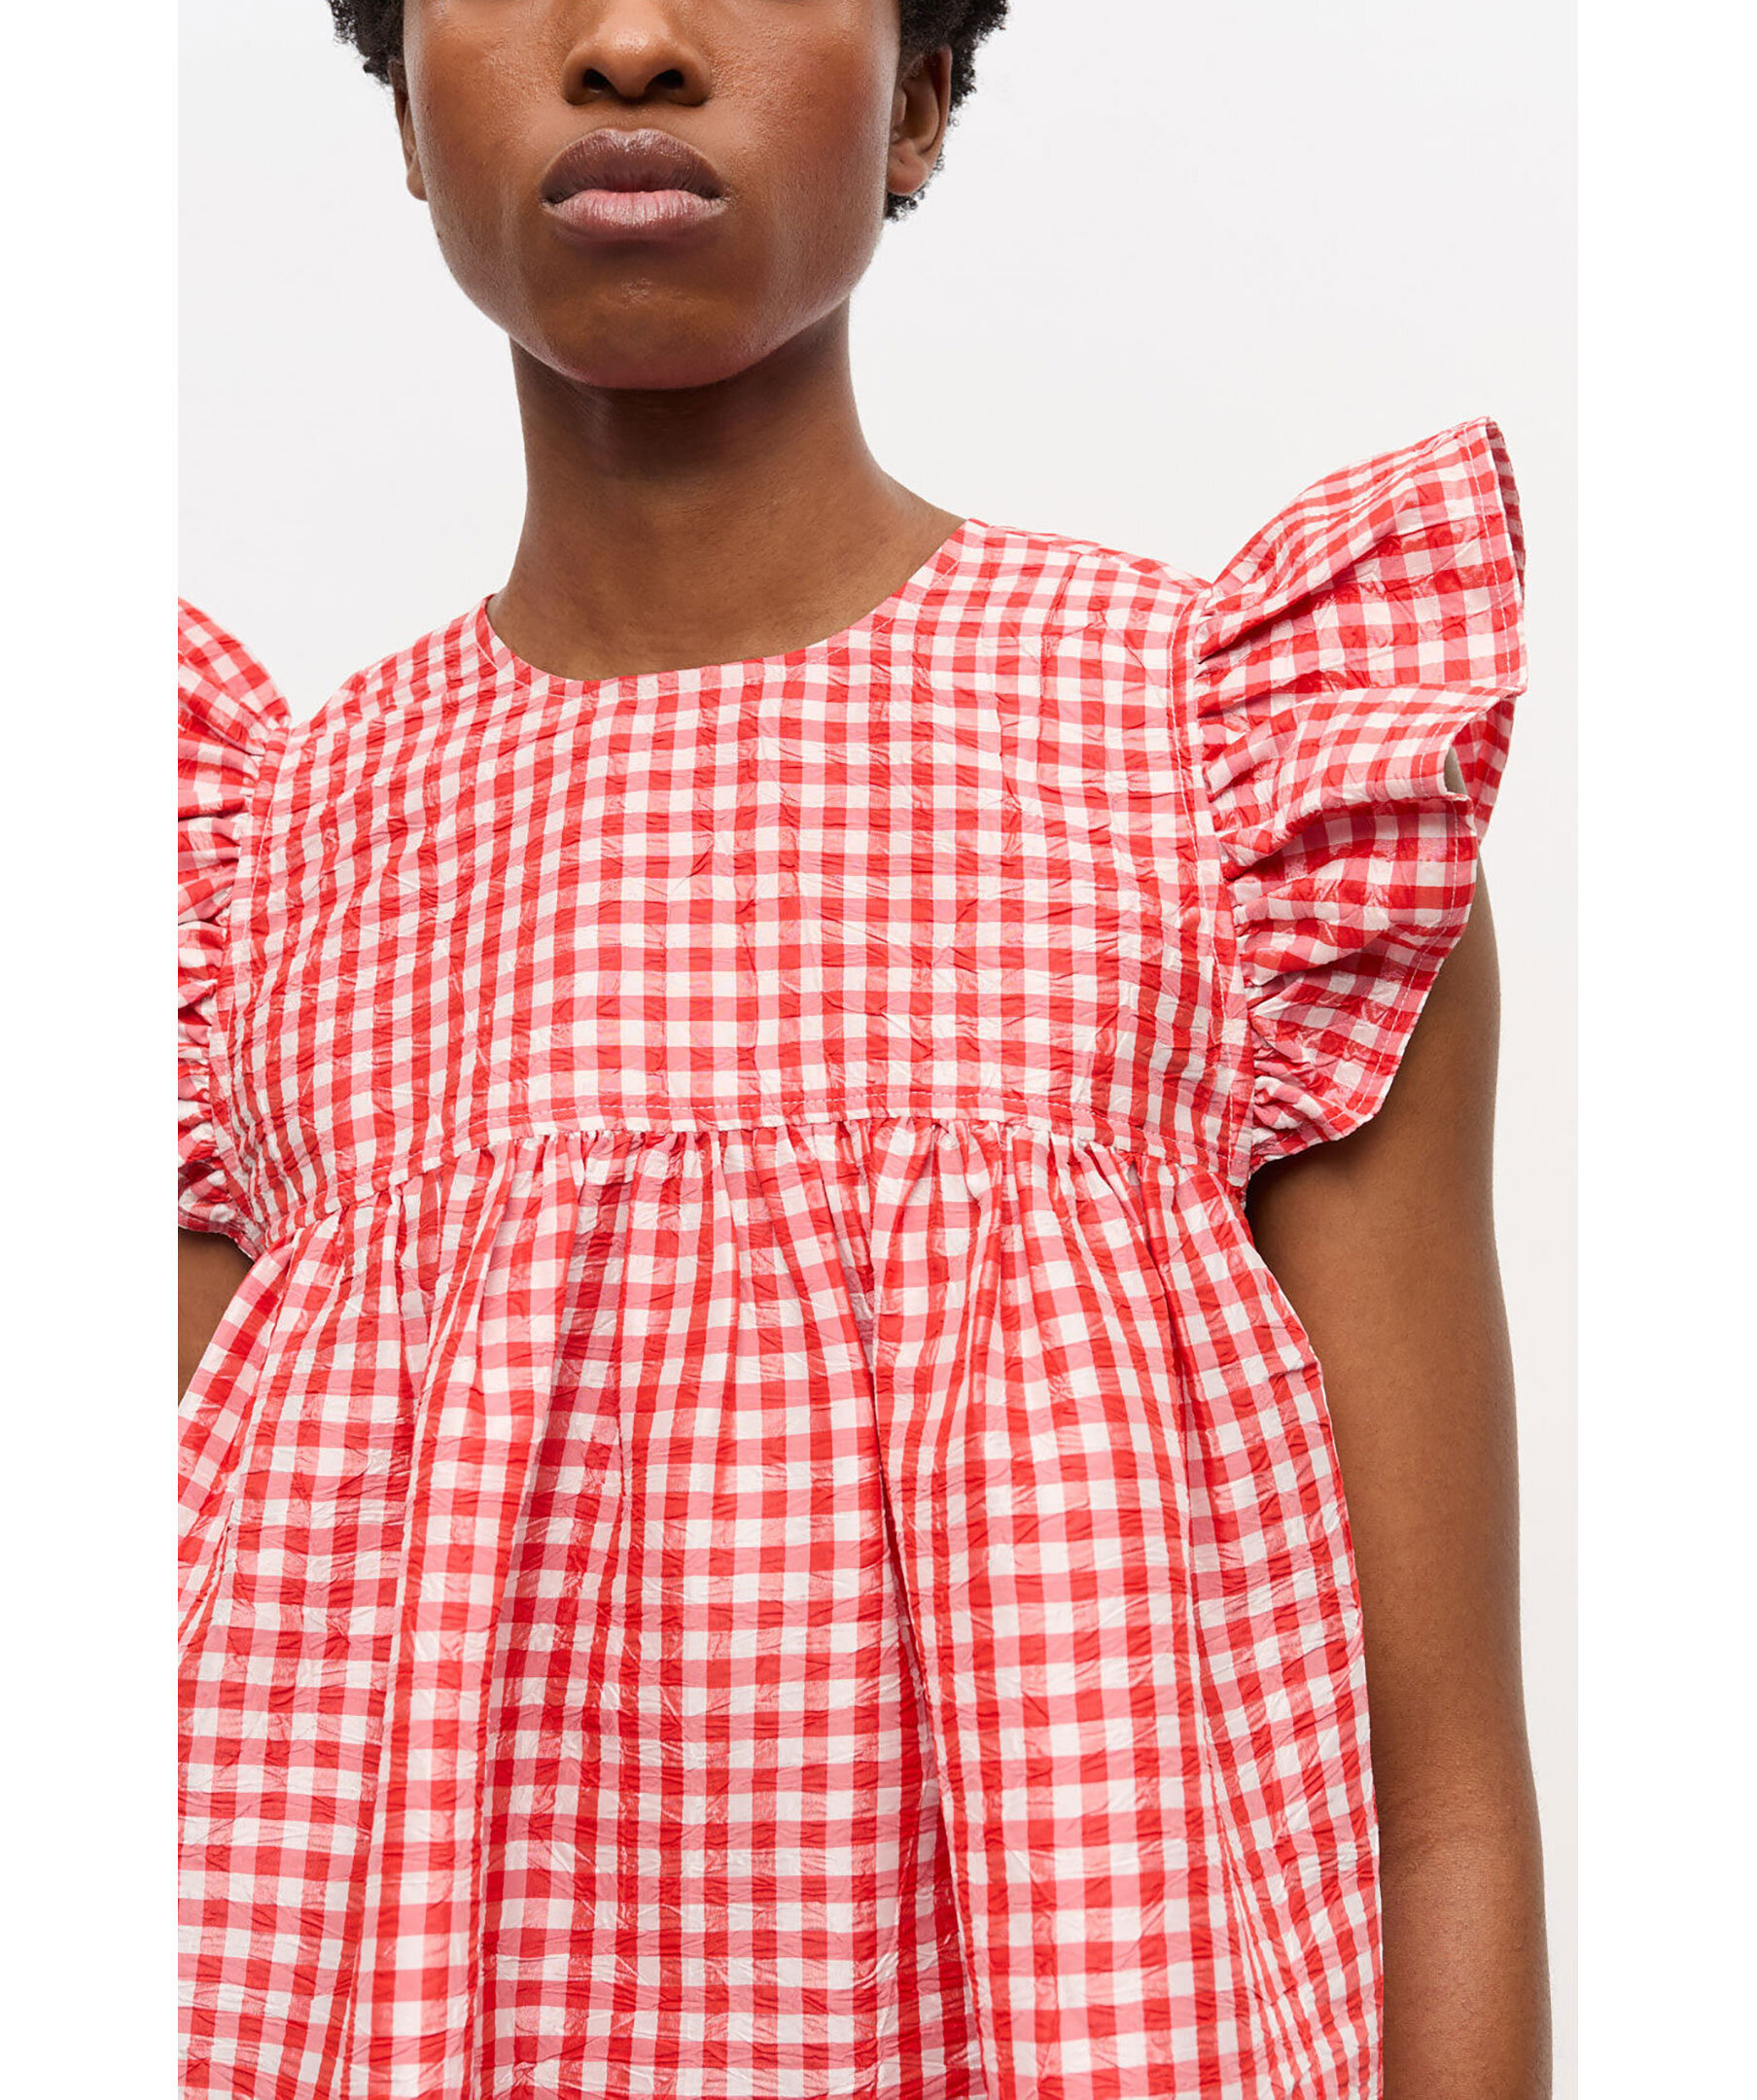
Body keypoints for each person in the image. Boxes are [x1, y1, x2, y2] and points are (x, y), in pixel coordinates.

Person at [177, 3, 1551, 2094]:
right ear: (403, 106)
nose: (631, 42)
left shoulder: (1240, 788)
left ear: (915, 99)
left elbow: (1435, 1783)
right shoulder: (238, 884)